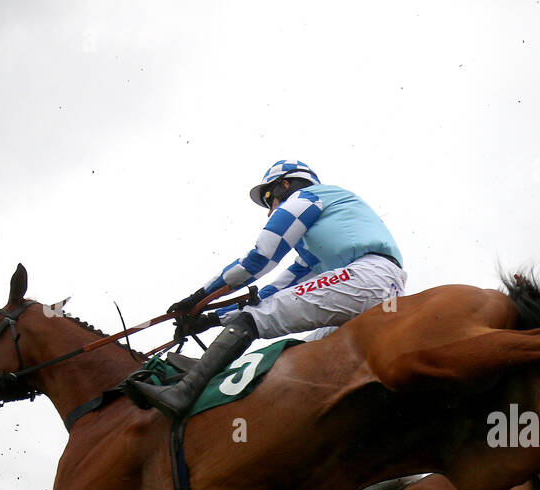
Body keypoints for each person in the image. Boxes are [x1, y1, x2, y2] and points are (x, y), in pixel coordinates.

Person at [122, 159, 406, 422]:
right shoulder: (316, 244)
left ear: (285, 184)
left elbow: (260, 259)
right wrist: (211, 319)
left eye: (269, 199)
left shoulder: (306, 197)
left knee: (253, 319)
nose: (271, 210)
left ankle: (183, 393)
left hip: (367, 278)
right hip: (382, 287)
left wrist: (199, 295)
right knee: (299, 359)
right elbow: (274, 291)